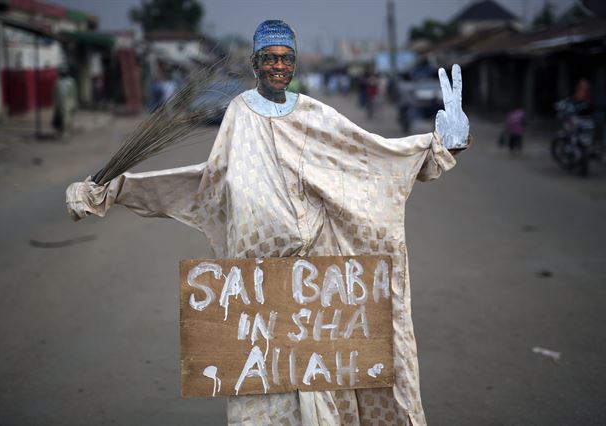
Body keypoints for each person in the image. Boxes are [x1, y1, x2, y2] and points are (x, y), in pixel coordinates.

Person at [66, 20, 470, 426]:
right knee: (266, 403)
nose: (279, 66)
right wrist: (115, 190)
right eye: (270, 59)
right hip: (260, 296)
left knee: (327, 393)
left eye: (286, 59)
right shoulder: (239, 115)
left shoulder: (314, 115)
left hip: (319, 291)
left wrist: (438, 147)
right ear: (255, 65)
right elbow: (210, 181)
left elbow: (370, 158)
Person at [52, 67, 77, 139]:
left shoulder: (71, 81)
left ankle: (67, 132)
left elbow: (74, 93)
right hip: (60, 102)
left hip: (68, 102)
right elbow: (54, 93)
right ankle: (62, 131)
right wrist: (55, 103)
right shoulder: (57, 82)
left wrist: (74, 103)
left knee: (67, 118)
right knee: (61, 118)